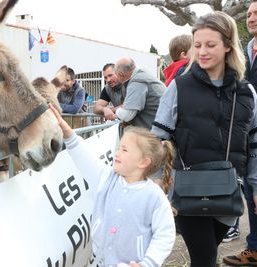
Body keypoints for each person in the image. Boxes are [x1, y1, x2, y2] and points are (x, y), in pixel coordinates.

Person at [151, 11, 257, 267]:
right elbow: (158, 138)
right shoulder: (179, 87)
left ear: (228, 45)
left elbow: (254, 143)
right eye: (197, 45)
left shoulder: (247, 92)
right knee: (205, 257)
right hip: (187, 191)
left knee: (207, 253)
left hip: (228, 193)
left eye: (211, 45)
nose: (202, 51)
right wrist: (155, 182)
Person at [49, 103, 176, 267]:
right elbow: (83, 156)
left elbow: (165, 234)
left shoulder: (154, 197)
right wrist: (67, 132)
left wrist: (148, 263)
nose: (117, 153)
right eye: (118, 147)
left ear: (143, 162)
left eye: (124, 150)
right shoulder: (106, 178)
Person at [223, 0, 257, 265]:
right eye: (249, 14)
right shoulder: (246, 50)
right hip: (250, 130)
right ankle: (254, 247)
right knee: (251, 188)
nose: (252, 18)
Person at [114, 58, 165, 129]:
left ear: (120, 75)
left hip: (155, 132)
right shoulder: (144, 73)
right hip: (163, 125)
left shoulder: (136, 83)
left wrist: (117, 112)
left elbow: (127, 115)